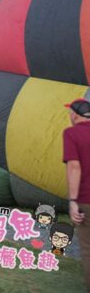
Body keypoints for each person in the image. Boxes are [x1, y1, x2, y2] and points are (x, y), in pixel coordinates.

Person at [62, 97, 90, 289]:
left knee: (88, 249)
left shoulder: (71, 133)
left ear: (74, 114)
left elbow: (74, 167)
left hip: (86, 199)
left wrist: (72, 201)